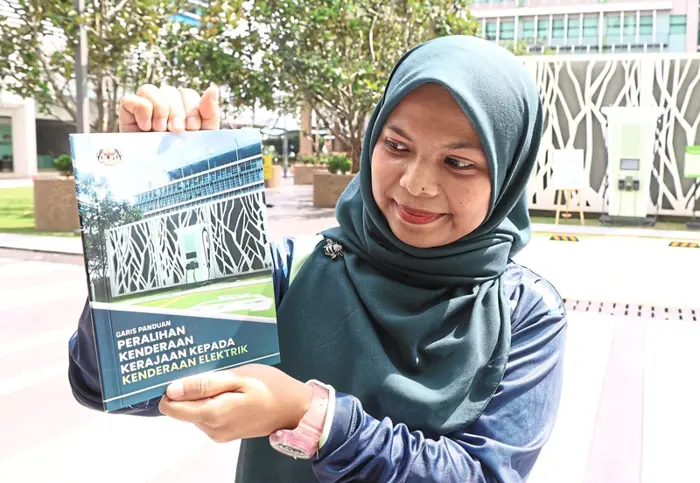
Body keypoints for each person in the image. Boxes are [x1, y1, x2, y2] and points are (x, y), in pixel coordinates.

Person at [68, 35, 567, 482]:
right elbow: (110, 382)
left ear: (507, 175)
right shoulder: (299, 267)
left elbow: (484, 475)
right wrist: (148, 195)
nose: (417, 183)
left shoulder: (524, 312)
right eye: (397, 145)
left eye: (458, 162)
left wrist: (312, 418)